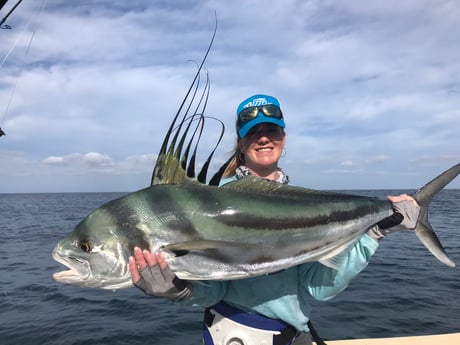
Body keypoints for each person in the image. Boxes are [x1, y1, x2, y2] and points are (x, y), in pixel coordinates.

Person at [129, 94, 420, 345]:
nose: (264, 137)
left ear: (283, 138)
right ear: (241, 143)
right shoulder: (213, 203)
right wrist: (178, 290)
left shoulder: (302, 205)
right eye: (254, 132)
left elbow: (320, 287)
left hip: (292, 335)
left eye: (272, 130)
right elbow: (215, 288)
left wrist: (374, 235)